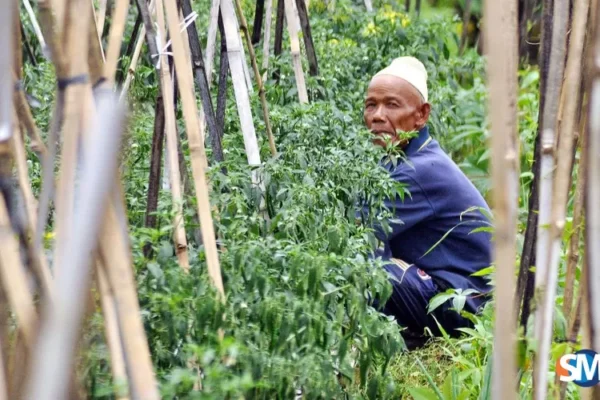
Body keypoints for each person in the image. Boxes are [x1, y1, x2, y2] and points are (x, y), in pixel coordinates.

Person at [359, 56, 493, 347]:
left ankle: (392, 338)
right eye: (371, 105)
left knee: (361, 263)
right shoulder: (415, 157)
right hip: (462, 292)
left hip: (467, 305)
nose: (378, 116)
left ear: (421, 115)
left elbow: (358, 231)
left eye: (392, 105)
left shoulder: (418, 170)